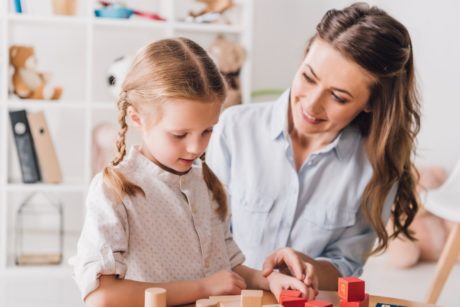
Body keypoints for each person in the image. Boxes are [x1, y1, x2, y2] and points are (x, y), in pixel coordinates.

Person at [70, 38, 315, 307]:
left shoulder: (205, 183)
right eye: (179, 134)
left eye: (207, 130)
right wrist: (202, 288)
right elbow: (101, 297)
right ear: (137, 118)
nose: (195, 147)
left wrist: (270, 280)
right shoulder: (114, 191)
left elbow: (226, 274)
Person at [207, 2, 421, 291]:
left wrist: (311, 269)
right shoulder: (233, 129)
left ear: (372, 103)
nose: (311, 104)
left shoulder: (376, 165)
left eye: (339, 97)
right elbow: (206, 241)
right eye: (308, 77)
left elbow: (346, 265)